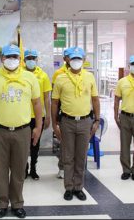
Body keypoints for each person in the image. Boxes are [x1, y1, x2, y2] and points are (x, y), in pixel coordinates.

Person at [0, 44, 42, 218]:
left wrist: (38, 126)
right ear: (2, 59)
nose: (12, 60)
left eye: (15, 56)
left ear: (20, 59)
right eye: (9, 57)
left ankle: (17, 203)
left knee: (19, 169)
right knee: (1, 170)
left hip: (23, 131)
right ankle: (1, 203)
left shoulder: (30, 78)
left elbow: (37, 103)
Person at [51, 47, 100, 201]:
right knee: (67, 156)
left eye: (79, 59)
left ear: (83, 60)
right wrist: (54, 124)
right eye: (73, 59)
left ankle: (78, 187)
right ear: (68, 60)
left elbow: (95, 99)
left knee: (81, 156)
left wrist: (97, 120)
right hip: (67, 122)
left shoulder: (90, 77)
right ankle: (68, 187)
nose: (76, 62)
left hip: (86, 121)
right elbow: (54, 103)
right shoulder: (60, 78)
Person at [24, 49, 52, 180]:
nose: (31, 60)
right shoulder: (20, 74)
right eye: (28, 58)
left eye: (33, 58)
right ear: (24, 60)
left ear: (36, 60)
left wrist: (48, 116)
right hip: (22, 115)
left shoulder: (43, 75)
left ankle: (33, 168)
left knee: (35, 144)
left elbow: (47, 98)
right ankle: (24, 168)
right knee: (23, 144)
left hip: (38, 116)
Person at [52, 47, 73, 179]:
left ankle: (74, 170)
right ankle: (62, 167)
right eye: (70, 56)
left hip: (78, 113)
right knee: (65, 144)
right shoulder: (58, 74)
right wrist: (56, 119)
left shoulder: (83, 74)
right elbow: (55, 98)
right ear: (65, 58)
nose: (72, 59)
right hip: (63, 113)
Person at [114, 55, 134, 180]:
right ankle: (126, 170)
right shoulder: (122, 82)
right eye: (133, 64)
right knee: (125, 145)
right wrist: (116, 116)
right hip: (125, 117)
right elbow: (116, 100)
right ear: (129, 66)